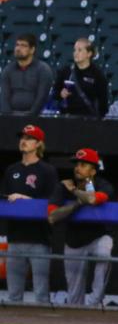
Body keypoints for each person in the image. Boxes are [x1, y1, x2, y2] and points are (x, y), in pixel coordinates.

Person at [48, 148, 114, 306]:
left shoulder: (101, 183)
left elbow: (92, 199)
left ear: (93, 170)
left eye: (83, 165)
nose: (77, 167)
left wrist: (74, 191)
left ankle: (94, 301)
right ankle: (77, 319)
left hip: (98, 237)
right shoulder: (63, 186)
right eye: (77, 164)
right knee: (74, 294)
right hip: (74, 240)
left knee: (104, 254)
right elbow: (52, 216)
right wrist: (76, 204)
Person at [0, 125, 58, 303]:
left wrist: (26, 199)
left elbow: (53, 201)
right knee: (13, 294)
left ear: (38, 143)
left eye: (29, 138)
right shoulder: (11, 170)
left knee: (41, 293)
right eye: (22, 137)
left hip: (39, 237)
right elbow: (4, 197)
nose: (23, 141)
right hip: (15, 237)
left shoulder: (47, 170)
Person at [52, 38, 108, 118]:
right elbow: (54, 93)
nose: (75, 53)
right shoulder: (66, 71)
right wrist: (60, 94)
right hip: (66, 118)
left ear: (89, 54)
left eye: (80, 50)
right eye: (75, 50)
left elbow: (103, 103)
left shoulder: (97, 75)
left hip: (88, 120)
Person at [0, 34, 54, 117]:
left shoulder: (43, 70)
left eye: (23, 45)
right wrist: (7, 117)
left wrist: (31, 115)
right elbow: (4, 97)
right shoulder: (8, 70)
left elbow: (41, 97)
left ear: (32, 50)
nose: (18, 48)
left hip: (35, 117)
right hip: (10, 117)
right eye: (17, 45)